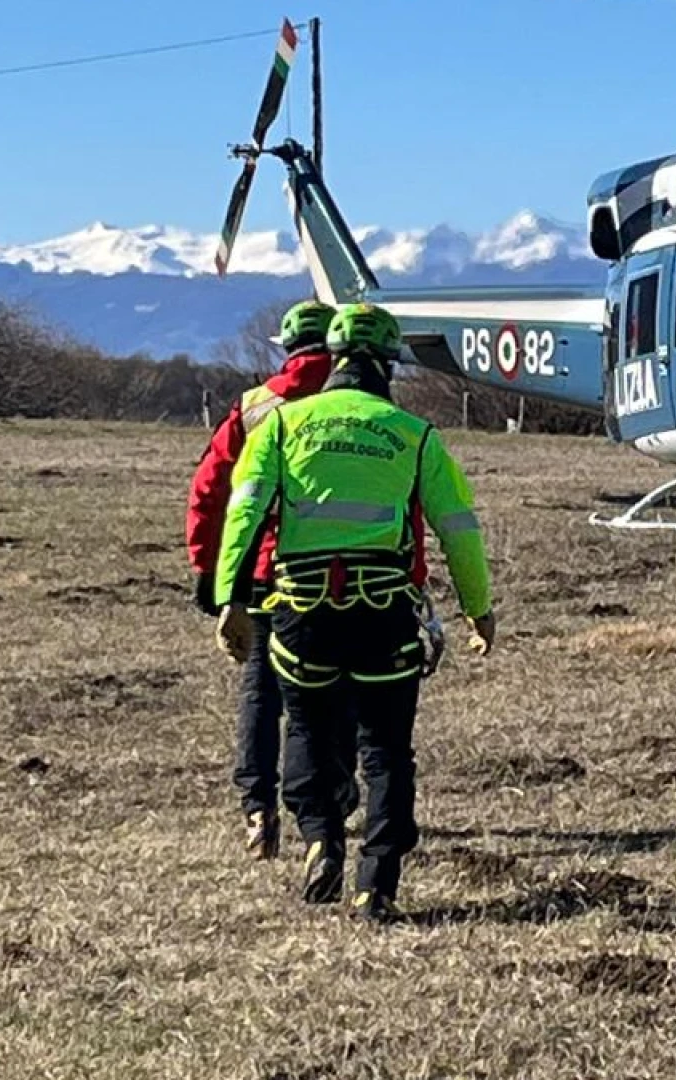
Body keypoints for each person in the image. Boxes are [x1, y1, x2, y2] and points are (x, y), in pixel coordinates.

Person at [212, 301, 497, 923]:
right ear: (387, 367)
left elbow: (244, 513)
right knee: (387, 750)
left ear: (334, 359)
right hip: (384, 614)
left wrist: (230, 599)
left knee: (308, 730)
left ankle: (320, 836)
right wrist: (479, 609)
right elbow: (458, 529)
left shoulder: (281, 427)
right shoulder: (415, 434)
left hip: (299, 613)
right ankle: (377, 884)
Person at [186, 299, 338, 860]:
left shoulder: (254, 406)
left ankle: (258, 809)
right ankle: (326, 806)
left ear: (287, 348)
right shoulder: (356, 403)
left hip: (259, 573)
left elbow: (208, 491)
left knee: (261, 693)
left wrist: (209, 570)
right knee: (333, 694)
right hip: (339, 573)